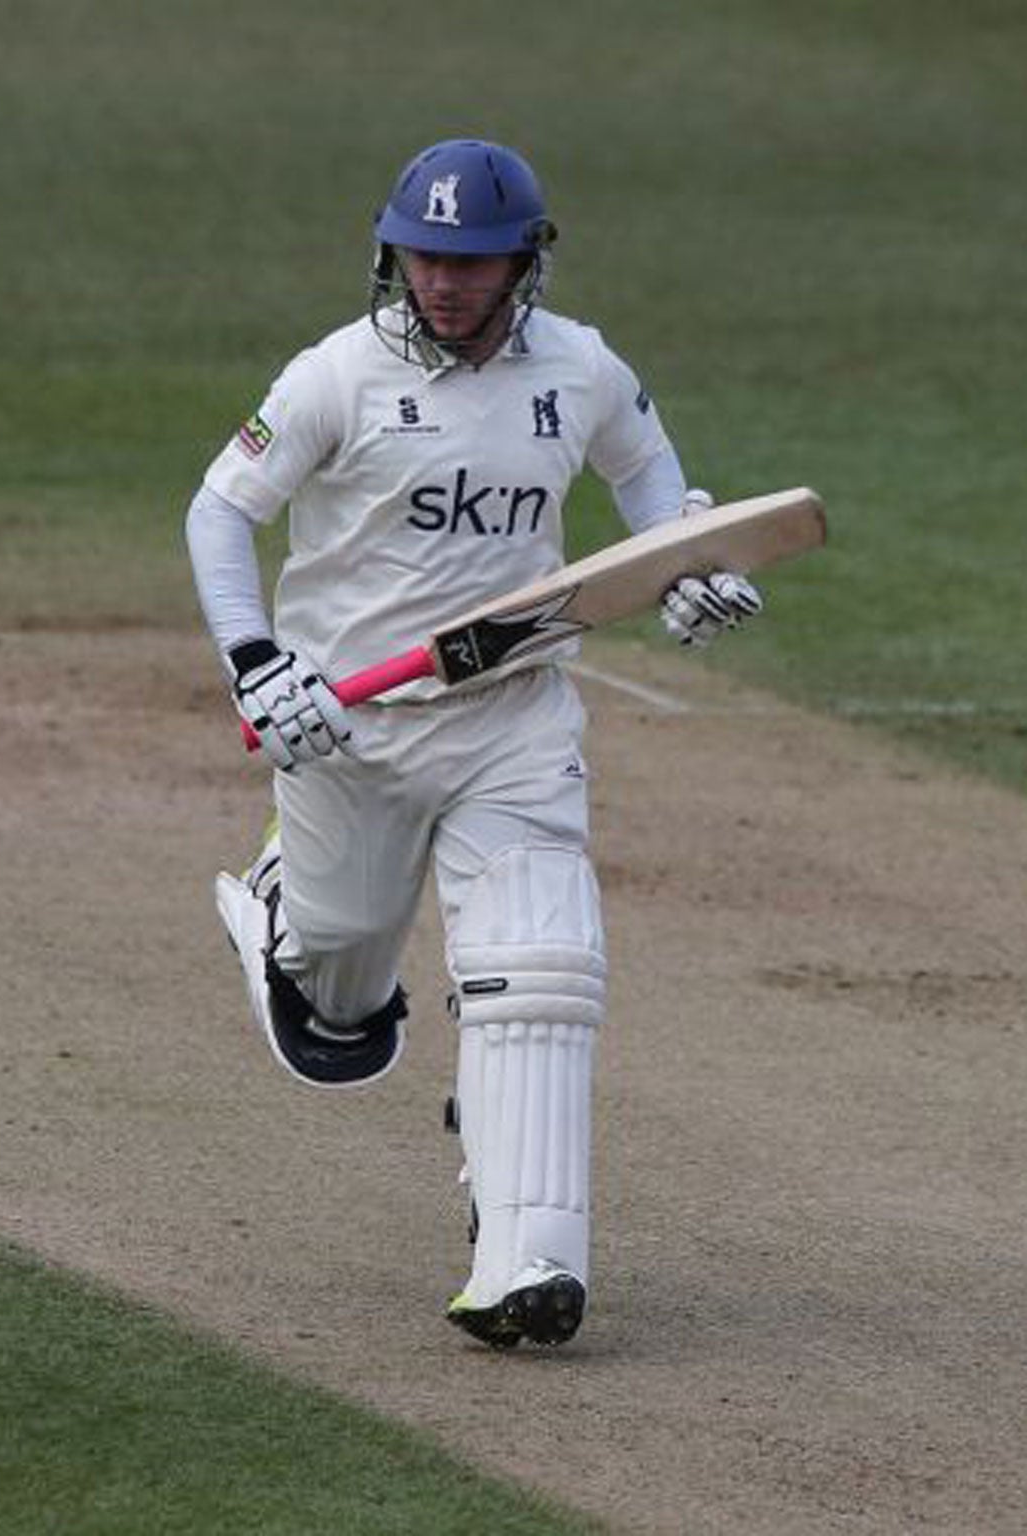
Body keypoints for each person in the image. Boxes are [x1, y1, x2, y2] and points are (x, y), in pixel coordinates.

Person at [187, 139, 761, 1349]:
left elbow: (652, 487)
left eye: (470, 259)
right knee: (340, 1012)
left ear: (524, 260)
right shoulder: (334, 376)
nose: (442, 281)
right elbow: (219, 511)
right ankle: (294, 910)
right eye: (422, 255)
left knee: (539, 971)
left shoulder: (582, 370)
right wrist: (257, 661)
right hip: (349, 725)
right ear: (390, 252)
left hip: (512, 716)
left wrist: (683, 571)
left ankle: (523, 1263)